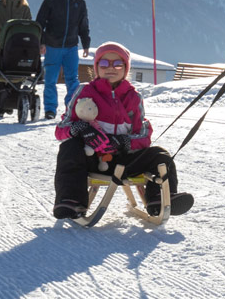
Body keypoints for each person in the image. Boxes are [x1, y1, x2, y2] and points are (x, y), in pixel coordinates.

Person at [51, 41, 194, 220]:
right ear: (96, 67)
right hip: (91, 160)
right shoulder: (84, 92)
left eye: (117, 64)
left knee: (160, 155)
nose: (111, 68)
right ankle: (70, 201)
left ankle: (159, 199)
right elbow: (61, 130)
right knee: (69, 148)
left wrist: (123, 141)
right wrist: (80, 128)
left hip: (124, 161)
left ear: (125, 68)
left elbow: (143, 135)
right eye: (104, 63)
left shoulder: (133, 97)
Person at [35, 0, 90, 120]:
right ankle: (50, 110)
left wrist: (86, 45)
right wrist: (41, 42)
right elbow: (40, 23)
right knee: (51, 79)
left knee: (73, 79)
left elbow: (83, 26)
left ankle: (71, 109)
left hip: (71, 47)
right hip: (52, 46)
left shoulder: (80, 3)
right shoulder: (50, 0)